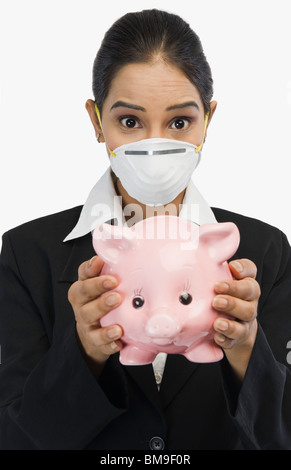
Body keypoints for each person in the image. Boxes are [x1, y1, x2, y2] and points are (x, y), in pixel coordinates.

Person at [0, 9, 290, 450]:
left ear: (207, 120)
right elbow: (14, 437)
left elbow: (281, 435)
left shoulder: (265, 251)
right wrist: (84, 352)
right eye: (130, 122)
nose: (155, 145)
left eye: (179, 122)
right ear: (97, 121)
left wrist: (247, 348)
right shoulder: (25, 255)